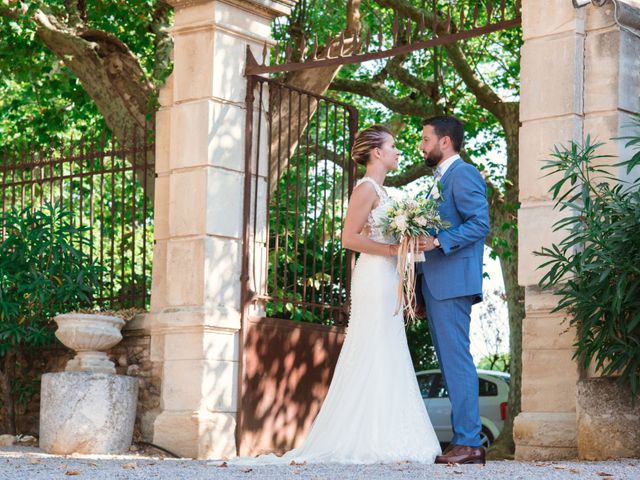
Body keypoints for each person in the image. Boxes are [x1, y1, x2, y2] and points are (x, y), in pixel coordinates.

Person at [234, 125, 440, 465]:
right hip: (373, 276)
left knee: (389, 347)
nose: (398, 151)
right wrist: (392, 250)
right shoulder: (365, 188)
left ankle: (389, 433)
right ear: (377, 152)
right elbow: (349, 238)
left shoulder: (384, 193)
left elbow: (384, 238)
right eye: (392, 146)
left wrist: (406, 245)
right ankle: (362, 437)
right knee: (372, 345)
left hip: (387, 276)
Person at [416, 115, 490, 465]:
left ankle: (469, 442)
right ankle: (464, 439)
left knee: (457, 362)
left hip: (453, 283)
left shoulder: (464, 174)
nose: (422, 145)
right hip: (434, 283)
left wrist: (438, 241)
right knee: (449, 363)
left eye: (426, 139)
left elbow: (480, 224)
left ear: (445, 141)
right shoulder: (438, 180)